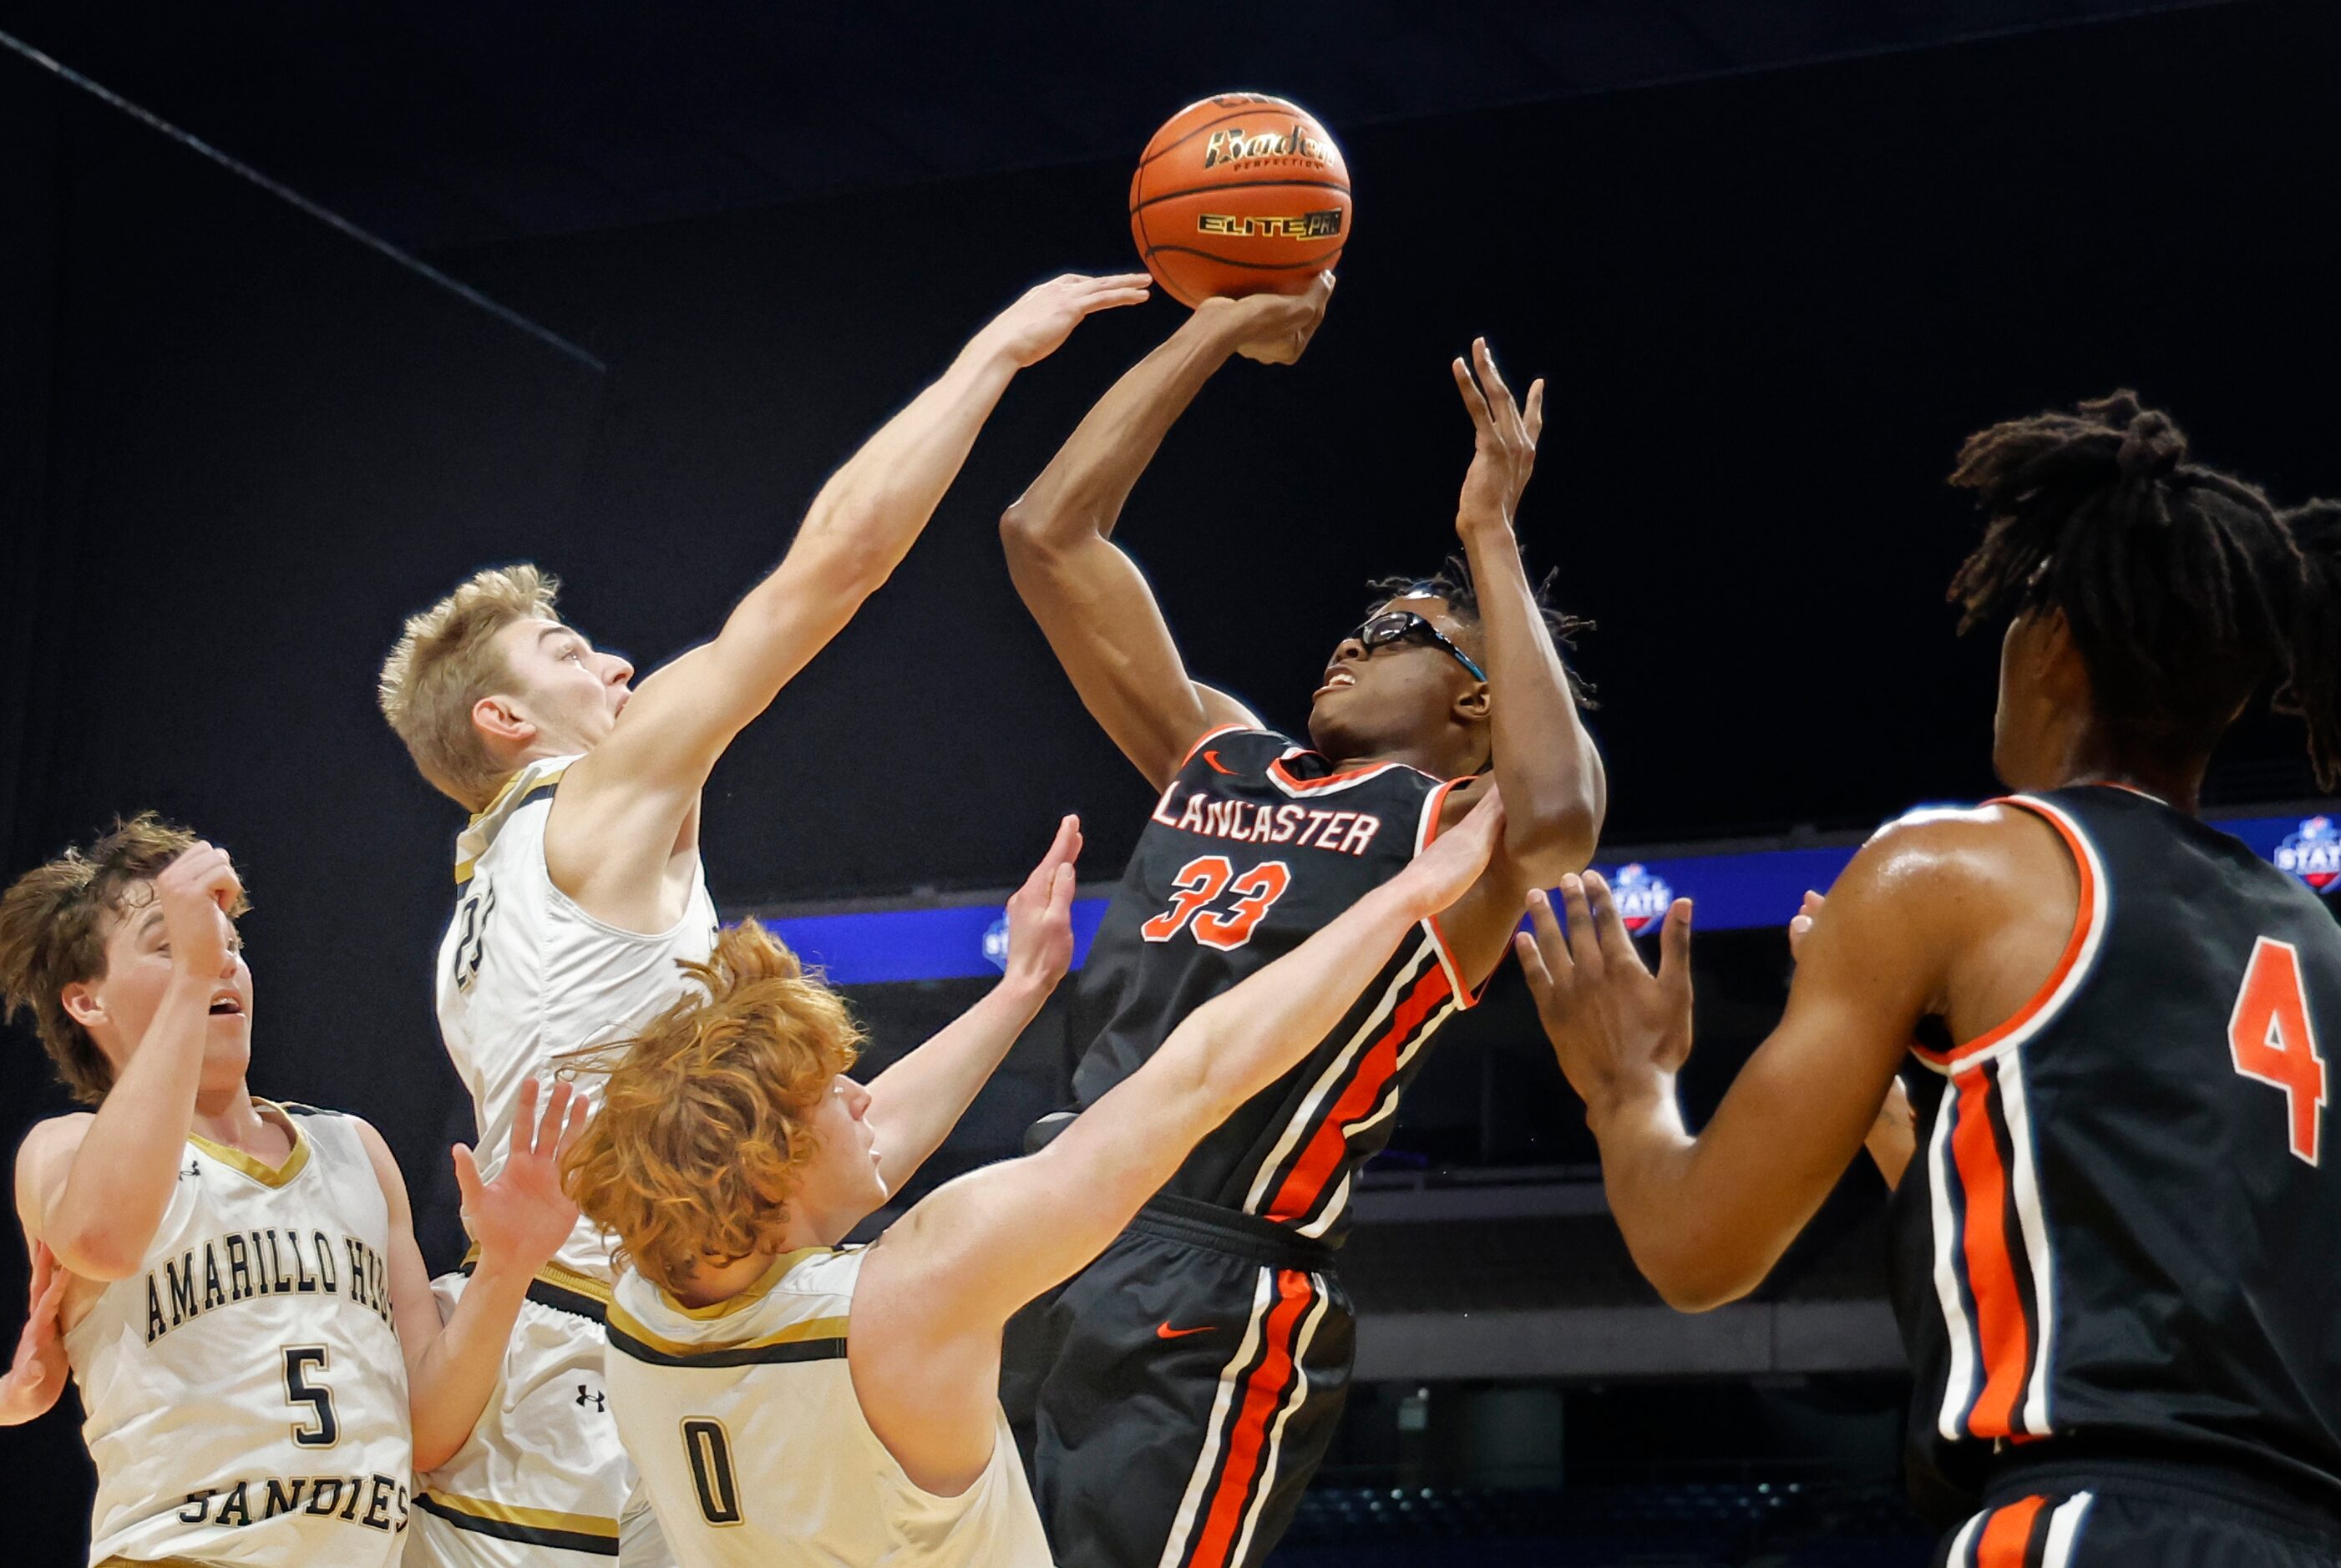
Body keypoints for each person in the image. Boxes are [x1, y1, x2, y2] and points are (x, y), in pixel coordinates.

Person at [375, 271, 1147, 1565]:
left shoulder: (482, 905)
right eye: (568, 652)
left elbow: (838, 1147)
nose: (615, 663)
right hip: (606, 1376)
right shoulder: (592, 802)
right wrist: (995, 354)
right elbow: (826, 572)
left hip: (570, 1375)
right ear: (504, 724)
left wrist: (1015, 991)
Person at [1520, 393, 2341, 1565]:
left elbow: (1699, 1248)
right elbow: (2146, 1256)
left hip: (2086, 1518)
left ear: (2053, 638)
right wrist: (1910, 1132)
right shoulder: (2309, 936)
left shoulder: (1951, 869)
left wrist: (1626, 1085)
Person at [994, 277, 1604, 1567]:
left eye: (1398, 631)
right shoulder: (1216, 751)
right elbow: (1047, 533)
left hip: (1214, 1273)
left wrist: (1487, 534)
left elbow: (1561, 814)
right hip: (1032, 1220)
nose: (1348, 639)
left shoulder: (1463, 831)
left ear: (1479, 704)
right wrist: (1211, 330)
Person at [563, 792, 1504, 1568]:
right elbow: (1199, 1075)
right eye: (828, 1091)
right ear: (776, 1162)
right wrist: (1411, 891)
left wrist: (1020, 988)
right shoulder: (907, 1296)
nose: (859, 1094)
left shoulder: (642, 1301)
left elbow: (864, 1137)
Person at [0, 816, 583, 1565]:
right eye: (171, 945)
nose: (221, 963)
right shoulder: (64, 1148)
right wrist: (192, 975)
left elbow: (426, 1429)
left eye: (230, 948)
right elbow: (103, 1240)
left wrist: (509, 1266)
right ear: (88, 1002)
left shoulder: (353, 1148)